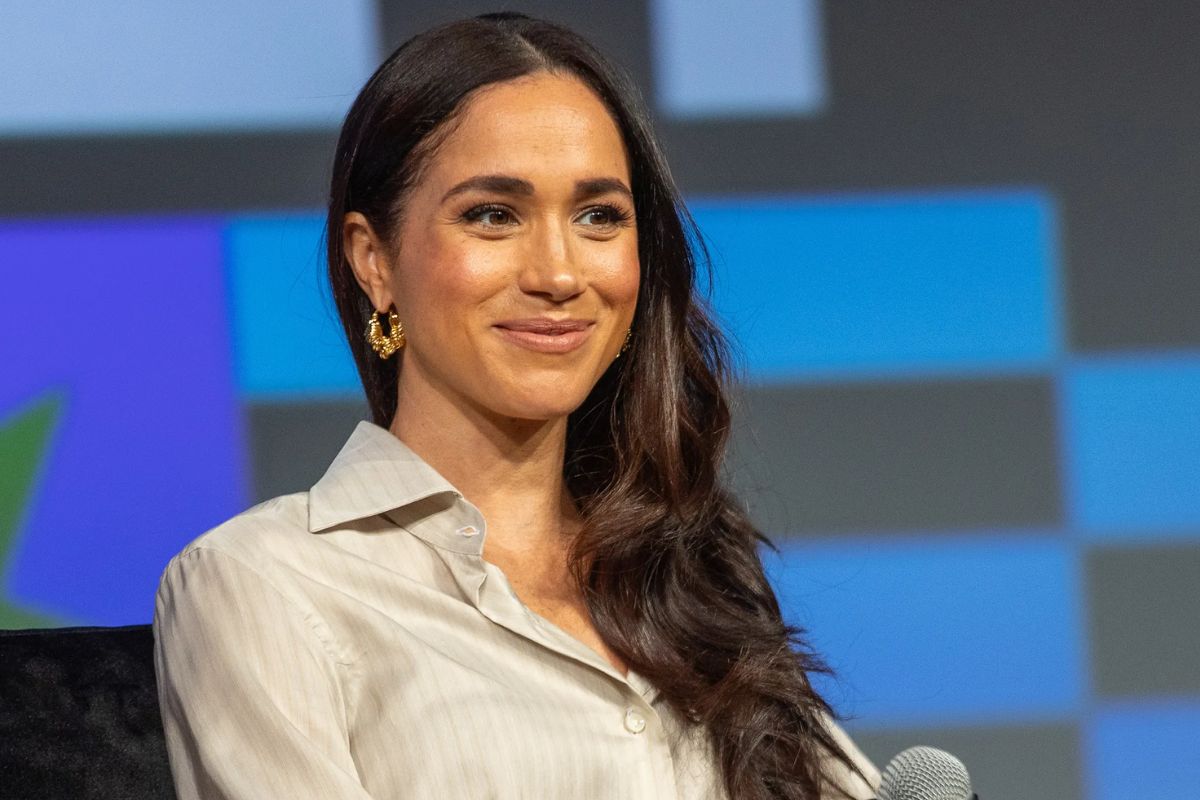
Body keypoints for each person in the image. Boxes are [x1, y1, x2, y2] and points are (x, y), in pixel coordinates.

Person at [153, 12, 880, 800]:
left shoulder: (691, 581)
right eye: (493, 215)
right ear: (375, 261)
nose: (560, 273)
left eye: (599, 216)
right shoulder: (266, 583)